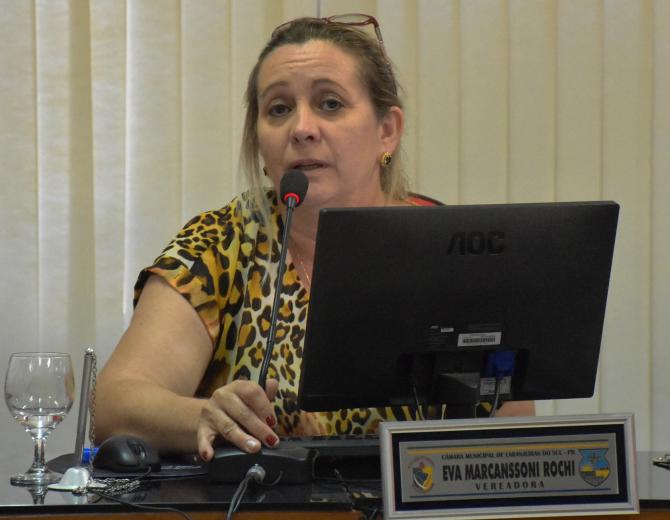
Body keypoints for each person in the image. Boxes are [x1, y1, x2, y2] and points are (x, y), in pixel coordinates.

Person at [95, 14, 534, 461]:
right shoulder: (219, 245)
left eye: (330, 103)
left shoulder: (453, 249)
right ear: (259, 144)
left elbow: (511, 430)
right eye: (279, 109)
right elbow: (114, 405)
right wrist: (207, 416)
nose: (301, 128)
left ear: (387, 131)